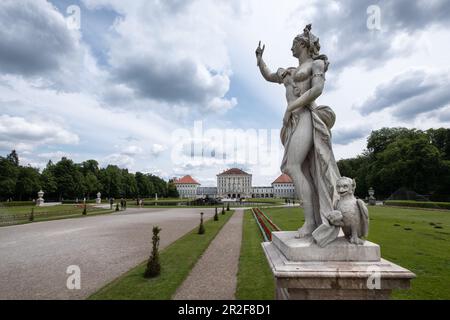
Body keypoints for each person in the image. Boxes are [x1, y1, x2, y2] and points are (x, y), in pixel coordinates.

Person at [256, 24, 340, 238]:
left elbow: (317, 89)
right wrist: (259, 59)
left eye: (294, 44)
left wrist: (291, 107)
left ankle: (310, 222)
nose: (291, 48)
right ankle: (313, 220)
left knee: (293, 166)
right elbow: (267, 75)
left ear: (303, 44)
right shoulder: (289, 72)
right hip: (292, 123)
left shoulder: (317, 64)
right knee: (302, 169)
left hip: (305, 116)